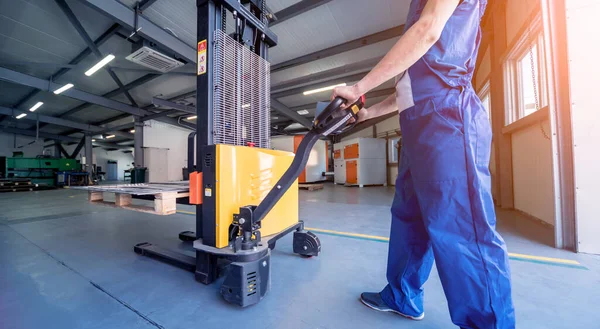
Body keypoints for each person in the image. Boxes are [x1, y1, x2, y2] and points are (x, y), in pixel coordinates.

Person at [330, 0, 515, 328]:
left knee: (462, 226)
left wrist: (360, 87)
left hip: (447, 118)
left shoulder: (425, 16)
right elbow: (411, 82)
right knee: (408, 215)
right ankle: (403, 295)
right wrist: (368, 112)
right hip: (418, 122)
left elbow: (427, 32)